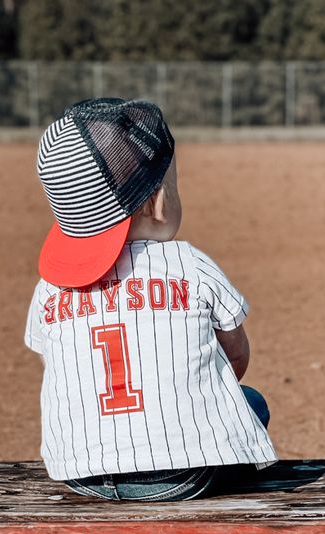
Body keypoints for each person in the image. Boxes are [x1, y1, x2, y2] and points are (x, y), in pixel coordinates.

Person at [24, 97, 278, 501]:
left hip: (80, 473)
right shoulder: (191, 264)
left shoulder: (49, 289)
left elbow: (56, 364)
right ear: (157, 201)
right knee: (251, 403)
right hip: (183, 474)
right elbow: (236, 358)